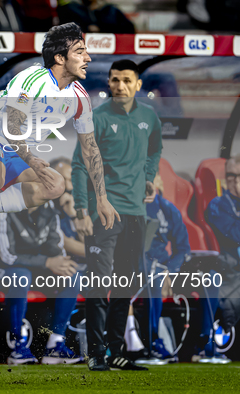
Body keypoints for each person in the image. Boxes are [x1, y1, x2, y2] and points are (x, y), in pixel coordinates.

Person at [0, 22, 119, 230]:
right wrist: (31, 159)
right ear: (60, 58)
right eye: (80, 52)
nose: (88, 58)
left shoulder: (80, 97)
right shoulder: (32, 79)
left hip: (13, 149)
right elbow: (12, 128)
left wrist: (101, 198)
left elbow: (90, 149)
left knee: (55, 185)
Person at [72, 59, 162, 371]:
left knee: (124, 284)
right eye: (114, 80)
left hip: (136, 213)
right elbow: (79, 165)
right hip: (103, 213)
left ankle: (115, 350)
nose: (119, 86)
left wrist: (150, 176)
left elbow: (155, 149)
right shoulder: (95, 117)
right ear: (108, 84)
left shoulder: (149, 117)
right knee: (98, 282)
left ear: (138, 85)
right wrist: (82, 210)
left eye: (126, 80)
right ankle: (96, 353)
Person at [0, 203, 82, 365]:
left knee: (71, 275)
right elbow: (7, 256)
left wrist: (58, 262)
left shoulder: (50, 210)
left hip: (32, 269)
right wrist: (47, 261)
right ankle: (17, 346)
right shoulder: (4, 207)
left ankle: (55, 345)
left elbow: (55, 249)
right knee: (21, 275)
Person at [136, 171, 191, 364]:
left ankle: (205, 344)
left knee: (209, 276)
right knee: (153, 275)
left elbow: (183, 248)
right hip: (135, 265)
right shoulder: (132, 206)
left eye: (154, 176)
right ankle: (151, 342)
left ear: (159, 181)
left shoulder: (168, 209)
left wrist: (170, 270)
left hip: (163, 267)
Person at [204, 155, 240, 364]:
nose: (235, 180)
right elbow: (234, 235)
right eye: (231, 175)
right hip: (227, 269)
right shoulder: (218, 204)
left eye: (239, 175)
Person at [57, 0, 135, 34]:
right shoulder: (71, 9)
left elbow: (129, 31)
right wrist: (86, 28)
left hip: (107, 54)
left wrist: (102, 29)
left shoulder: (111, 11)